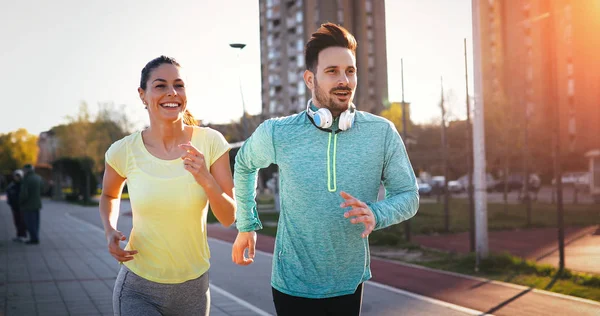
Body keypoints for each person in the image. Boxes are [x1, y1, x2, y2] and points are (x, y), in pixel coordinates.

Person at [231, 23, 419, 316]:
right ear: (310, 78)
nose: (344, 80)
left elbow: (408, 195)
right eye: (332, 71)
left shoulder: (381, 133)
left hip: (349, 283)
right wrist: (247, 224)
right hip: (291, 283)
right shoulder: (279, 132)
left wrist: (377, 213)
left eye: (350, 71)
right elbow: (243, 164)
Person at [99, 55, 236, 316]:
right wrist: (109, 230)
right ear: (143, 95)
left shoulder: (211, 142)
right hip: (139, 288)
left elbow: (229, 217)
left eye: (179, 85)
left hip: (194, 290)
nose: (172, 93)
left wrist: (206, 179)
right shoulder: (123, 151)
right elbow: (108, 194)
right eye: (160, 85)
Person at [19, 164, 43, 245]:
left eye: (24, 170)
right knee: (36, 223)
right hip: (37, 204)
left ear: (26, 170)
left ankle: (33, 239)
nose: (23, 172)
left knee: (29, 222)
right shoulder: (38, 177)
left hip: (28, 205)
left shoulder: (26, 179)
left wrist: (20, 202)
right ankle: (35, 237)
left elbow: (24, 194)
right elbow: (43, 189)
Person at [6, 169, 27, 242]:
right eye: (15, 176)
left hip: (21, 206)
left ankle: (22, 235)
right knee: (16, 221)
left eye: (18, 176)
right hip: (14, 206)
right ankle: (19, 235)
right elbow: (8, 193)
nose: (16, 177)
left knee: (22, 221)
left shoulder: (23, 185)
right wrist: (9, 201)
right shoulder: (12, 185)